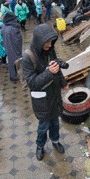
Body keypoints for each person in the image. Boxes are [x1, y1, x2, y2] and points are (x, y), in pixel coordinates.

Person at [23, 23, 68, 161]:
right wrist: (49, 73)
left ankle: (55, 141)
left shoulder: (50, 51)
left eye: (51, 41)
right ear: (38, 41)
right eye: (47, 42)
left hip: (54, 94)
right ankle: (40, 146)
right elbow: (32, 83)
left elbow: (56, 67)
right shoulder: (28, 57)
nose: (49, 45)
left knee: (55, 122)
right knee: (43, 126)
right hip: (41, 99)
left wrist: (63, 82)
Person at [1, 12, 23, 82]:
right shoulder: (13, 28)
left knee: (11, 60)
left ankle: (13, 75)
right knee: (15, 61)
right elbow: (17, 40)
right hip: (14, 47)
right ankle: (14, 76)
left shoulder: (4, 26)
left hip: (8, 46)